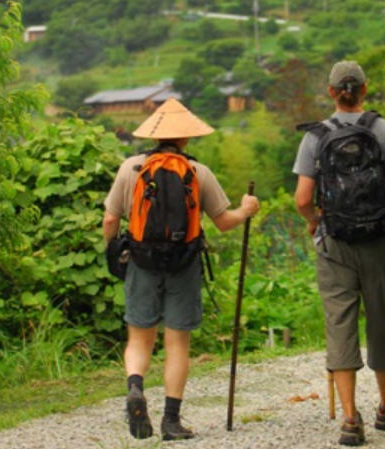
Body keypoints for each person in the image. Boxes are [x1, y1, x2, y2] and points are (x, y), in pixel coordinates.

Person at [103, 98, 260, 441]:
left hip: (141, 261)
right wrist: (246, 210)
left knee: (140, 338)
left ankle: (135, 387)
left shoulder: (131, 168)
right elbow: (224, 222)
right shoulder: (198, 172)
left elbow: (111, 218)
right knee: (177, 344)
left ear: (154, 136)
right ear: (186, 137)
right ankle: (171, 422)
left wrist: (113, 249)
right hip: (183, 263)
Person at [293, 61, 385, 446]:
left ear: (332, 92)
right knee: (382, 318)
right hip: (379, 240)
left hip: (335, 244)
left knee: (340, 322)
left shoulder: (316, 136)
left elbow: (302, 198)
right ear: (364, 90)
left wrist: (314, 220)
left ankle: (351, 418)